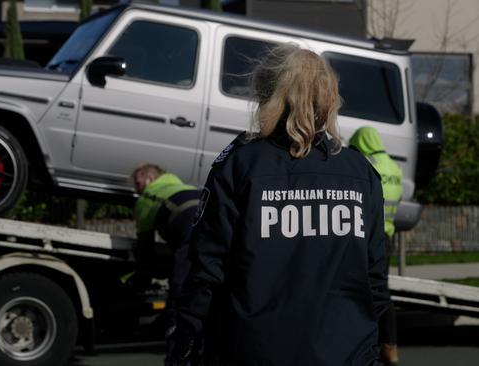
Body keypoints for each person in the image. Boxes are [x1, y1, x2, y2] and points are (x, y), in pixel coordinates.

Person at [169, 44, 391, 366]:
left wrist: (186, 339)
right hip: (347, 353)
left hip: (253, 351)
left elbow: (207, 270)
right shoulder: (360, 172)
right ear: (329, 97)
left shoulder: (239, 165)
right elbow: (375, 279)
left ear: (265, 94)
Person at [131, 164, 201, 365]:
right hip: (213, 225)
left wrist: (144, 275)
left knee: (179, 294)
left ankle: (176, 358)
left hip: (189, 233)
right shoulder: (181, 185)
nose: (136, 189)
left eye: (137, 183)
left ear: (149, 179)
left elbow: (145, 246)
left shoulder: (147, 197)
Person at [350, 126, 403, 366]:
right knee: (383, 290)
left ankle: (369, 343)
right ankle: (389, 345)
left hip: (368, 236)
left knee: (363, 290)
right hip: (388, 234)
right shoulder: (394, 167)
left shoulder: (366, 164)